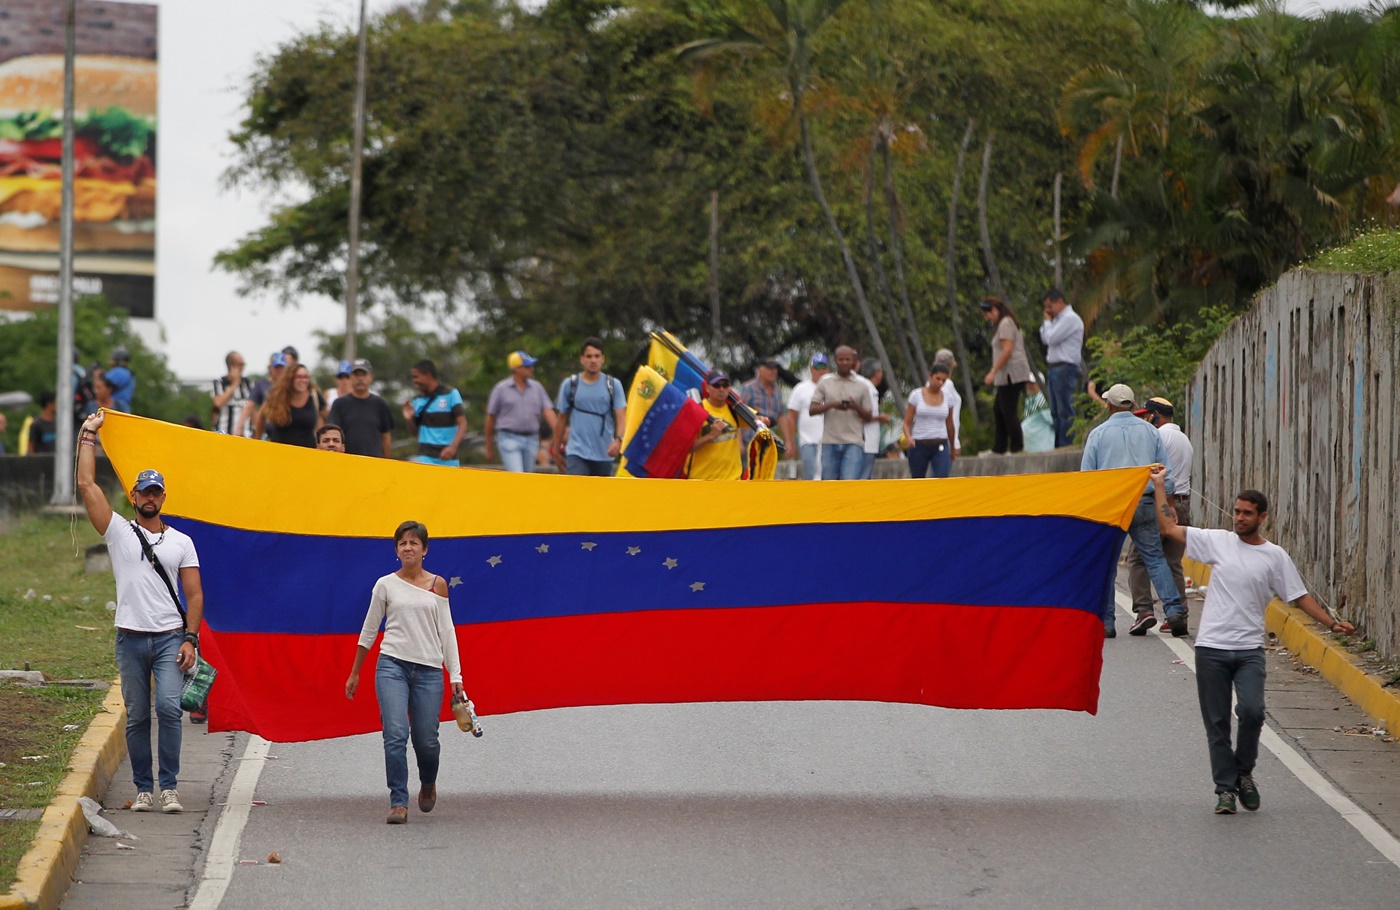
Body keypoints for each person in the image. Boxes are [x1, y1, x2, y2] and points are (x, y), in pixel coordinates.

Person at [1148, 465, 1354, 814]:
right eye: (1236, 511)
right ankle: (1225, 791)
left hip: (1249, 652)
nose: (1239, 518)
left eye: (1247, 513)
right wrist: (1158, 486)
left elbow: (1298, 596)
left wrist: (1330, 624)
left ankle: (1244, 772)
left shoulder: (1274, 556)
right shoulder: (1218, 542)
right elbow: (1168, 526)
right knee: (1216, 724)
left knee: (1253, 711)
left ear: (1262, 517)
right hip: (1211, 649)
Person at [76, 411, 203, 814]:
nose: (149, 498)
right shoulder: (117, 531)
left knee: (167, 707)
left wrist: (191, 638)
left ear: (164, 498)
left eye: (156, 492)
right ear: (133, 496)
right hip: (129, 637)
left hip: (169, 638)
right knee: (136, 718)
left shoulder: (182, 541)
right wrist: (87, 437)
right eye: (143, 492)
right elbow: (86, 484)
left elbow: (194, 595)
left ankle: (169, 788)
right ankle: (143, 789)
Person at [345, 520, 462, 824]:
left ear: (425, 549)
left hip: (428, 670)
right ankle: (398, 801)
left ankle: (427, 781)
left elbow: (447, 632)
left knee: (426, 739)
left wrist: (456, 678)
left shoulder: (437, 585)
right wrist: (355, 671)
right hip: (392, 666)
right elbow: (369, 630)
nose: (408, 548)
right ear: (396, 550)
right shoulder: (385, 585)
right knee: (395, 734)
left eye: (414, 543)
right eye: (402, 543)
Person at [1080, 383, 1185, 638]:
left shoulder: (1098, 434)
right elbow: (1166, 476)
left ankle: (1107, 622)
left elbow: (1086, 478)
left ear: (1109, 405)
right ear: (1132, 404)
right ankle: (1174, 611)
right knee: (1155, 557)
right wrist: (1168, 504)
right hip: (1146, 500)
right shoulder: (1151, 432)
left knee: (1107, 565)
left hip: (1112, 506)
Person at [1126, 397, 1196, 631]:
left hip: (1162, 505)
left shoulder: (1159, 436)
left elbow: (1160, 476)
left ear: (1155, 415)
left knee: (1138, 559)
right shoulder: (1183, 438)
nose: (1146, 419)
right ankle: (1179, 615)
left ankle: (1143, 610)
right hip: (1183, 503)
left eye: (1148, 415)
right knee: (1173, 563)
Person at [554, 337, 626, 477]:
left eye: (597, 356)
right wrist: (556, 450)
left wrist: (619, 440)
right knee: (578, 494)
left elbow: (621, 416)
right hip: (577, 452)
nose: (593, 360)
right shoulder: (570, 384)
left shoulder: (612, 385)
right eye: (589, 356)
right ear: (582, 359)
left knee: (600, 497)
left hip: (604, 452)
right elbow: (561, 418)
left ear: (603, 359)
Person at [809, 345, 877, 480]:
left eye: (847, 359)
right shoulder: (825, 383)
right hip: (830, 441)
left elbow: (869, 416)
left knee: (849, 484)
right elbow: (812, 409)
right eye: (841, 359)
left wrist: (855, 406)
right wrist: (833, 404)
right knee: (829, 484)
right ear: (835, 361)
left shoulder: (862, 385)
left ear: (854, 361)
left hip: (853, 442)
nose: (844, 363)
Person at [484, 351, 556, 473]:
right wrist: (489, 446)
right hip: (509, 437)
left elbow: (548, 412)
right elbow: (491, 418)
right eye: (527, 366)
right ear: (517, 368)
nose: (532, 369)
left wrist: (558, 433)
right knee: (517, 473)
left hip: (531, 438)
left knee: (526, 476)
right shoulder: (501, 389)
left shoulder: (537, 388)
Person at [979, 297, 1032, 454]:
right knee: (999, 410)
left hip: (1012, 374)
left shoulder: (1006, 323)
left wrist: (993, 371)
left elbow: (1007, 350)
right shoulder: (1002, 324)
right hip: (1006, 375)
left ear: (994, 310)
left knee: (1008, 411)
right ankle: (999, 447)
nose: (986, 318)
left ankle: (1016, 446)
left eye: (987, 314)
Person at [1039, 287, 1084, 448]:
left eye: (1050, 306)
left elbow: (1050, 338)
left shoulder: (1070, 318)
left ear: (1059, 302)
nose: (1048, 311)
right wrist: (1048, 323)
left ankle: (1067, 443)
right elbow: (1044, 338)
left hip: (1066, 367)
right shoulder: (1056, 321)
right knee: (1055, 411)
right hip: (1054, 367)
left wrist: (1046, 321)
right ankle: (1059, 443)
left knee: (1065, 408)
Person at [403, 360, 468, 467]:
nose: (414, 381)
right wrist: (409, 418)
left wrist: (453, 447)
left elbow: (463, 423)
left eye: (416, 377)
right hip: (426, 457)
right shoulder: (417, 400)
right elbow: (414, 433)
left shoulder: (451, 394)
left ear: (427, 375)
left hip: (448, 458)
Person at [328, 359, 396, 458]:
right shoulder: (340, 404)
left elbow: (386, 437)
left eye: (363, 374)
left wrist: (386, 463)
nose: (360, 378)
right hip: (346, 462)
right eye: (356, 375)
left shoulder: (380, 404)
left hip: (373, 463)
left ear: (371, 377)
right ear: (351, 377)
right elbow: (332, 434)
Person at [903, 363, 957, 478]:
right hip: (919, 443)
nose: (940, 383)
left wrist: (952, 447)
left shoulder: (948, 398)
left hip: (940, 443)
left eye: (944, 380)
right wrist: (908, 437)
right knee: (918, 479)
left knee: (942, 477)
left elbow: (950, 425)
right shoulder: (916, 395)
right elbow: (907, 422)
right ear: (930, 376)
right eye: (938, 379)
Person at [688, 370, 744, 480]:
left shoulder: (736, 410)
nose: (721, 389)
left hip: (732, 481)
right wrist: (711, 436)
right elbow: (689, 447)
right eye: (716, 385)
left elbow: (758, 419)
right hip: (703, 481)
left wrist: (763, 420)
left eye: (725, 385)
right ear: (708, 388)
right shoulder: (697, 409)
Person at [256, 364, 324, 447]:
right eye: (299, 377)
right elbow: (261, 418)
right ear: (290, 378)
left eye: (306, 377)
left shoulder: (314, 396)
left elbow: (327, 416)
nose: (303, 380)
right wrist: (257, 442)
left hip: (307, 452)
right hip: (280, 450)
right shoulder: (277, 396)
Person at [784, 354, 829, 480]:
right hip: (807, 441)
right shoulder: (801, 389)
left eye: (823, 367)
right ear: (811, 369)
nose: (820, 371)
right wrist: (790, 442)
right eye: (817, 367)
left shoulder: (833, 387)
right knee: (811, 475)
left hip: (829, 441)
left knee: (827, 477)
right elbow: (791, 417)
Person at [739, 357, 793, 455]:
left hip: (769, 442)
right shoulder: (749, 388)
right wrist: (739, 443)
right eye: (770, 368)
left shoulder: (777, 390)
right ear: (759, 369)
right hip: (750, 442)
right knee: (750, 470)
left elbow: (781, 417)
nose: (773, 372)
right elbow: (739, 414)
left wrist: (788, 442)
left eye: (775, 369)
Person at [855, 359, 893, 479]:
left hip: (869, 442)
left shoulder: (867, 387)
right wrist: (879, 418)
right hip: (866, 442)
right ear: (877, 373)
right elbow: (860, 417)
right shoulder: (867, 389)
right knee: (863, 479)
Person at [236, 352, 287, 438]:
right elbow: (249, 405)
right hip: (266, 429)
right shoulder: (261, 384)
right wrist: (239, 427)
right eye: (276, 367)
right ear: (270, 368)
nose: (279, 370)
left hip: (285, 428)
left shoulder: (290, 385)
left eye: (281, 367)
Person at [211, 352, 253, 437]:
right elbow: (218, 403)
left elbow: (253, 408)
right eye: (241, 364)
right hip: (224, 434)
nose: (243, 367)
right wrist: (234, 384)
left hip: (246, 435)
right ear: (231, 366)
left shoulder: (248, 383)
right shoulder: (219, 383)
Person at [932, 348, 963, 454]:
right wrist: (954, 442)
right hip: (946, 439)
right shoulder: (946, 384)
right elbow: (944, 413)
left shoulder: (931, 384)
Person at [1020, 374, 1055, 453]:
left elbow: (1052, 420)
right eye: (1028, 383)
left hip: (1041, 447)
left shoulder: (1042, 399)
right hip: (1031, 448)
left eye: (1033, 383)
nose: (1030, 385)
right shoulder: (1029, 400)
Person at [105, 347, 135, 413]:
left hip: (115, 407)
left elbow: (104, 384)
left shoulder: (118, 371)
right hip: (125, 409)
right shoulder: (129, 375)